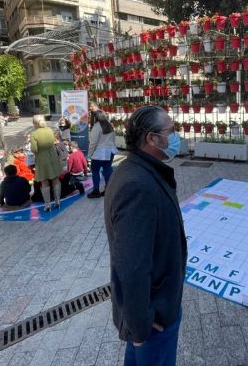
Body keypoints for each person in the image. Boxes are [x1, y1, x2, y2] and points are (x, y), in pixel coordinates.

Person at [104, 106, 187, 366]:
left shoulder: (140, 171)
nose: (176, 137)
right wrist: (141, 325)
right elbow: (131, 266)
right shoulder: (137, 185)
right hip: (154, 319)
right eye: (171, 131)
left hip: (152, 312)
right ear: (151, 138)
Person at [30, 115, 63, 212]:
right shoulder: (49, 130)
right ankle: (58, 201)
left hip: (41, 159)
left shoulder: (34, 134)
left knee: (44, 182)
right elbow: (53, 141)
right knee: (55, 179)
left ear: (34, 123)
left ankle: (47, 205)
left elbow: (34, 149)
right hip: (52, 156)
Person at [88, 110, 117, 199]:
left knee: (95, 172)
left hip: (99, 154)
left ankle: (96, 191)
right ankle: (108, 190)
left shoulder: (97, 127)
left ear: (94, 118)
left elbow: (93, 143)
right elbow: (113, 139)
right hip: (110, 152)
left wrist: (90, 155)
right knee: (107, 171)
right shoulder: (109, 125)